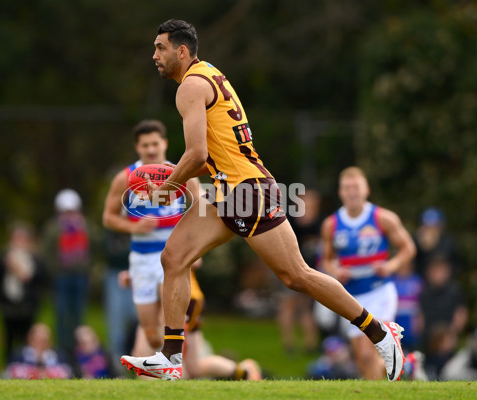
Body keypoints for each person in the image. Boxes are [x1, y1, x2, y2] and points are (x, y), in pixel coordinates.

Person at [120, 19, 407, 382]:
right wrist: (178, 179)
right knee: (173, 257)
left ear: (181, 51)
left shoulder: (189, 86)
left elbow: (195, 154)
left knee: (296, 275)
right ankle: (172, 357)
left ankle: (381, 333)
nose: (154, 55)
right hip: (228, 190)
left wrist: (166, 187)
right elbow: (212, 153)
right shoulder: (208, 74)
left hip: (247, 191)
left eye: (160, 48)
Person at [102, 119, 200, 358]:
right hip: (141, 259)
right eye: (145, 145)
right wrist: (134, 227)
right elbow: (108, 218)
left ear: (164, 143)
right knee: (151, 334)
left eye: (155, 143)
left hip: (171, 256)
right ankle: (168, 358)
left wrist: (195, 250)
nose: (151, 149)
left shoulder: (183, 173)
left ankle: (173, 366)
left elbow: (201, 209)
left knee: (168, 324)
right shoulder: (126, 177)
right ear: (138, 147)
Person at [320, 167, 416, 380]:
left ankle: (378, 392)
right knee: (363, 358)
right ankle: (407, 366)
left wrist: (390, 266)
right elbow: (326, 260)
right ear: (340, 192)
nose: (352, 192)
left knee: (372, 351)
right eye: (347, 188)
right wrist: (336, 271)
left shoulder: (383, 218)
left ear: (366, 190)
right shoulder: (331, 224)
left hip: (380, 291)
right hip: (352, 298)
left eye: (356, 187)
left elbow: (408, 248)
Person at [183, 262, 262, 381]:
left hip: (184, 298)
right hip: (162, 296)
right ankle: (244, 371)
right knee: (194, 369)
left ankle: (245, 370)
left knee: (186, 369)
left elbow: (196, 261)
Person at [42, 189, 92, 356]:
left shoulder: (84, 226)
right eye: (66, 211)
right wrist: (56, 271)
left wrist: (82, 227)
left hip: (79, 277)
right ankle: (63, 351)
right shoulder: (53, 228)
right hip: (61, 277)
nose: (70, 215)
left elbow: (94, 247)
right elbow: (47, 253)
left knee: (79, 314)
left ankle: (79, 350)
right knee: (62, 314)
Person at [0, 222, 48, 363]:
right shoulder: (3, 256)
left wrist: (22, 271)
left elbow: (42, 278)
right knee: (9, 339)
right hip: (8, 307)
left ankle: (27, 366)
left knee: (27, 338)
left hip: (28, 307)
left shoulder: (36, 258)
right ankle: (8, 366)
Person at [278, 189, 321, 354]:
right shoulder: (289, 224)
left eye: (310, 205)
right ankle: (288, 344)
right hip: (290, 269)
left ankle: (310, 344)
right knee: (288, 305)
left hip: (312, 272)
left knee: (307, 308)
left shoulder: (320, 225)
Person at [418, 255, 468, 379]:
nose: (438, 274)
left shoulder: (455, 290)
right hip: (429, 341)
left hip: (448, 340)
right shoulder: (424, 292)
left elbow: (461, 313)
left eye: (441, 270)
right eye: (435, 270)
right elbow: (420, 317)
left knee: (449, 372)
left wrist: (452, 335)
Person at [102, 228, 136, 372]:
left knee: (139, 319)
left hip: (136, 273)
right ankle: (117, 366)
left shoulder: (137, 229)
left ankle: (140, 359)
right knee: (116, 322)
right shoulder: (111, 231)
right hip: (114, 276)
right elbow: (109, 254)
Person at [4, 323, 72, 379]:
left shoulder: (58, 354)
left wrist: (46, 373)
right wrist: (35, 372)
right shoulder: (19, 354)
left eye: (45, 341)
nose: (42, 345)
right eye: (38, 340)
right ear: (30, 339)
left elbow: (67, 372)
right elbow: (10, 372)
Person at [413, 207, 460, 279]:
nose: (430, 230)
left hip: (445, 282)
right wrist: (422, 246)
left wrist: (431, 246)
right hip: (421, 282)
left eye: (434, 226)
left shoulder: (448, 241)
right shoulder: (415, 241)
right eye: (427, 226)